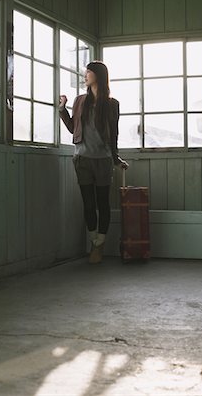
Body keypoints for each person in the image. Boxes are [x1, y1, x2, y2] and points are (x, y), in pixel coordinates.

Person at [59, 60, 129, 264]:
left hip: (103, 160)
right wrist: (62, 109)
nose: (85, 75)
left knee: (103, 203)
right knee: (88, 204)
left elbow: (113, 134)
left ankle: (100, 243)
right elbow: (73, 128)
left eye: (88, 72)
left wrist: (116, 158)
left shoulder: (111, 103)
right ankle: (94, 242)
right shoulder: (80, 100)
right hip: (82, 158)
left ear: (98, 75)